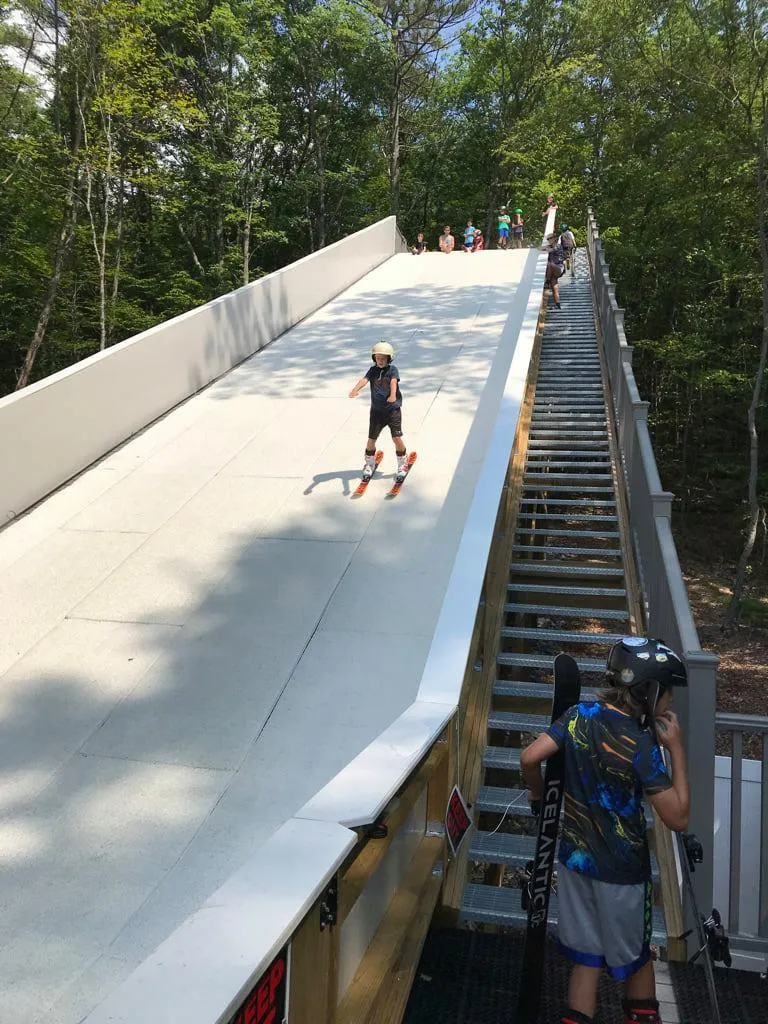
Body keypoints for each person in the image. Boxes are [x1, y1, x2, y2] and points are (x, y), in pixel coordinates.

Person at [520, 637, 691, 1024]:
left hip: (575, 864)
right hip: (622, 875)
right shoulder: (640, 744)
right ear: (648, 691)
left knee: (588, 959)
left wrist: (539, 798)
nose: (671, 701)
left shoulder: (578, 715)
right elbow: (678, 817)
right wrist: (677, 750)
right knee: (637, 959)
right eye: (668, 692)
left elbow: (529, 758)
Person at [348, 340, 409, 480]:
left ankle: (403, 462)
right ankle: (369, 463)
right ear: (374, 358)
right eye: (377, 358)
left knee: (396, 438)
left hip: (392, 410)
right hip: (376, 412)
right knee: (371, 439)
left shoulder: (392, 370)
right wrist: (355, 389)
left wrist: (393, 395)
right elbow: (364, 380)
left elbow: (393, 382)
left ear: (389, 358)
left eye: (383, 358)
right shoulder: (372, 370)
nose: (380, 361)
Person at [541, 231, 567, 308]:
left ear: (554, 239)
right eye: (548, 239)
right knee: (555, 287)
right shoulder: (550, 246)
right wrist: (544, 247)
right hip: (553, 272)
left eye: (550, 238)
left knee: (550, 263)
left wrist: (545, 248)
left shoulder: (558, 246)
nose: (549, 240)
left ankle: (547, 281)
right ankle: (558, 303)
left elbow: (551, 250)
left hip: (559, 268)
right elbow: (540, 248)